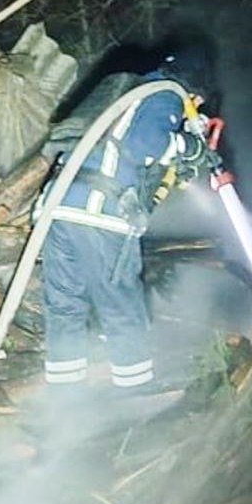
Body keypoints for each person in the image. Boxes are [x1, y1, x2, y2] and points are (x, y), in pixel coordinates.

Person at [35, 49, 219, 398]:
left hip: (59, 209)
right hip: (99, 212)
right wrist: (188, 146)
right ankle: (136, 393)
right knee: (119, 301)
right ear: (193, 92)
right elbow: (146, 144)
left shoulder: (126, 96)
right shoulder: (165, 94)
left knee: (65, 304)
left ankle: (65, 396)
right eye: (196, 101)